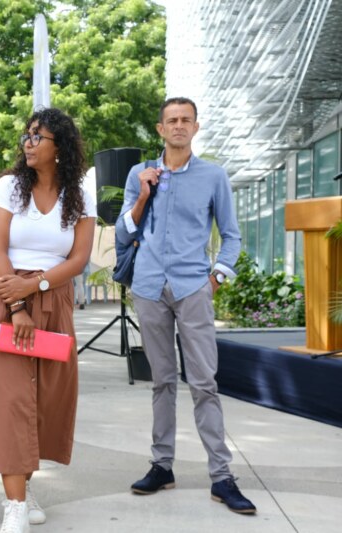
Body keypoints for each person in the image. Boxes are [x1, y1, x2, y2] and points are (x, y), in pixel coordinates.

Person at [116, 97, 254, 514]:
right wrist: (143, 195)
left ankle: (221, 476)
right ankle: (162, 466)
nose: (178, 125)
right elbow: (123, 232)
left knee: (204, 382)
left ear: (195, 127)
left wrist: (216, 278)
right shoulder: (139, 174)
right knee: (161, 382)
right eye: (171, 120)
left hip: (193, 288)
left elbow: (231, 235)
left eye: (185, 120)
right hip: (149, 288)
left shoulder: (213, 176)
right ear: (160, 129)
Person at [0, 108, 96, 532]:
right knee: (8, 401)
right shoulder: (9, 186)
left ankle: (23, 488)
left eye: (37, 136)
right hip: (7, 293)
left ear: (59, 147)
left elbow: (78, 259)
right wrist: (18, 304)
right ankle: (14, 506)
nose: (28, 142)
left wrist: (38, 285)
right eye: (26, 135)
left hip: (54, 297)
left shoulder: (78, 195)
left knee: (42, 400)